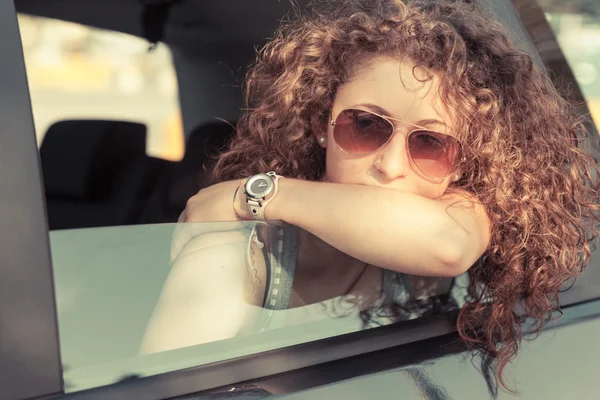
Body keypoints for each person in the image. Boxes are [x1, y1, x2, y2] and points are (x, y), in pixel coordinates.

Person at [141, 0, 600, 396]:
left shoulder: (455, 214)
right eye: (365, 126)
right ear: (322, 124)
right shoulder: (232, 254)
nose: (391, 165)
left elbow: (449, 243)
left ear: (461, 165)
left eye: (430, 144)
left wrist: (254, 194)